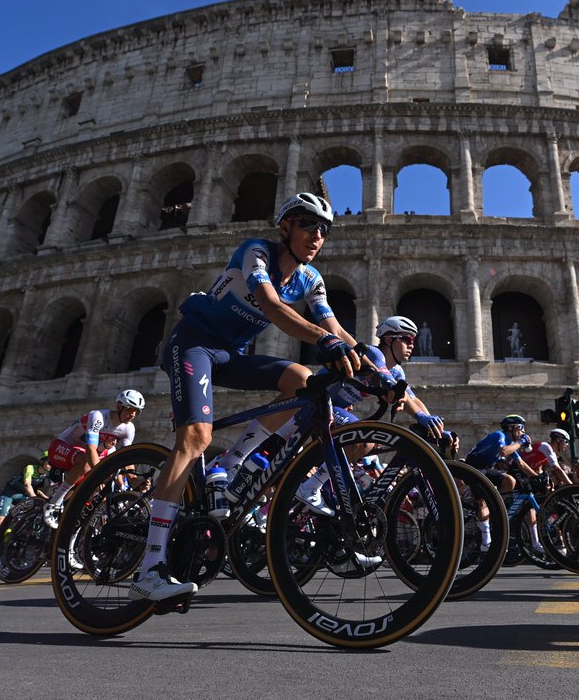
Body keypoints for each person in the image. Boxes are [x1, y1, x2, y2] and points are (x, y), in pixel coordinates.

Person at [131, 192, 361, 603]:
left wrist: (374, 369)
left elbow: (335, 327)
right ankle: (149, 569)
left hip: (230, 355)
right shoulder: (256, 252)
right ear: (285, 227)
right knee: (194, 438)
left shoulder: (311, 279)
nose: (317, 235)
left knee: (301, 380)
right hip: (194, 343)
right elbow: (272, 307)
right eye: (308, 224)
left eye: (324, 229)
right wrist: (326, 340)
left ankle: (229, 463)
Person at [288, 315, 443, 515]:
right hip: (316, 405)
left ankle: (326, 489)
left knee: (372, 445)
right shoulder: (372, 353)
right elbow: (382, 375)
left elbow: (412, 399)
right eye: (407, 339)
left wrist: (432, 423)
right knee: (364, 440)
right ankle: (312, 485)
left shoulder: (397, 372)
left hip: (331, 411)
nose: (412, 345)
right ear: (389, 339)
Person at [43, 389, 144, 526]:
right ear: (119, 406)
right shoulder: (98, 416)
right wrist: (101, 474)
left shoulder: (129, 429)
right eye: (130, 409)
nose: (132, 415)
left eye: (137, 411)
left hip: (84, 456)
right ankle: (53, 503)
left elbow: (126, 458)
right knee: (87, 461)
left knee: (111, 470)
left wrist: (134, 479)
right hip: (61, 447)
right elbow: (90, 449)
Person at [464, 414, 545, 554]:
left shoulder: (510, 442)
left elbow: (520, 463)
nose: (523, 432)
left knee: (510, 481)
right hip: (473, 468)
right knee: (483, 501)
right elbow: (503, 452)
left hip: (485, 468)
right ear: (511, 427)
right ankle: (486, 542)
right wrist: (520, 443)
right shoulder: (499, 435)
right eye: (521, 428)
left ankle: (494, 506)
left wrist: (537, 476)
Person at [0, 451, 52, 561]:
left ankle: (13, 530)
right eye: (49, 462)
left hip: (22, 495)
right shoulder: (31, 468)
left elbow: (41, 490)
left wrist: (46, 498)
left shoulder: (47, 474)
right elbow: (27, 484)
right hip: (9, 493)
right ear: (42, 461)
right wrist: (34, 497)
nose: (51, 465)